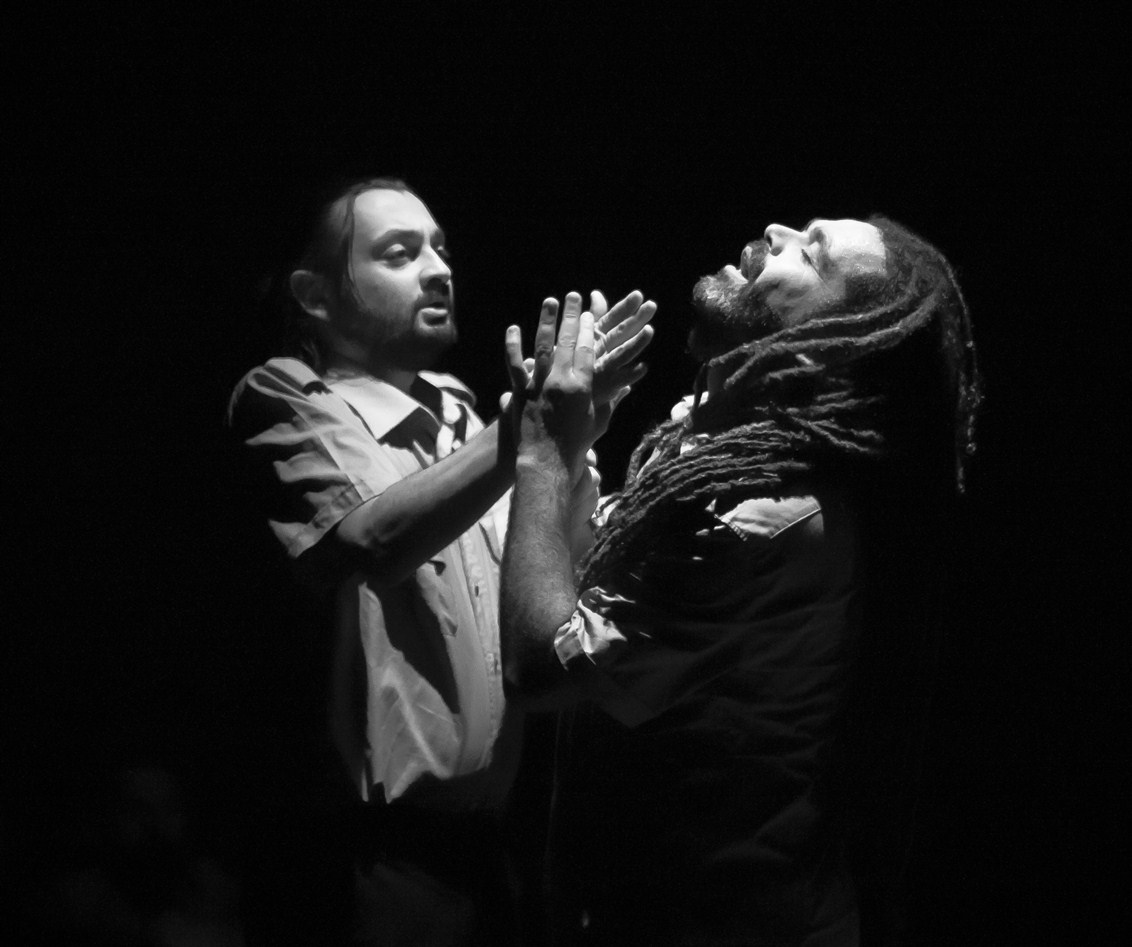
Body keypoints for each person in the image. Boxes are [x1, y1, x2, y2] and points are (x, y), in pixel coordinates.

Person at [500, 216, 982, 946]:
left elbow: (539, 666)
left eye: (811, 254)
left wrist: (542, 451)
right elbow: (590, 602)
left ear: (826, 350)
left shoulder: (758, 518)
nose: (776, 230)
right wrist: (578, 448)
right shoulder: (716, 448)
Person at [225, 176, 655, 946]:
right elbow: (373, 541)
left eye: (440, 249)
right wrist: (526, 433)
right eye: (399, 253)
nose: (438, 269)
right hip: (372, 860)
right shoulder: (287, 395)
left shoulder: (462, 411)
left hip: (490, 851)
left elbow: (557, 572)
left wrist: (571, 439)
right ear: (315, 296)